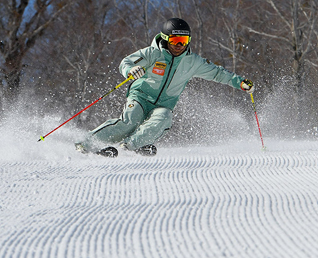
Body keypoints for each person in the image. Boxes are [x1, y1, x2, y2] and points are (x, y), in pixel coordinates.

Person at [76, 17, 255, 157]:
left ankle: (128, 147)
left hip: (164, 104)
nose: (179, 45)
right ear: (166, 38)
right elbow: (127, 62)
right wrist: (132, 69)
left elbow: (217, 73)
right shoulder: (153, 53)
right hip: (140, 96)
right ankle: (86, 143)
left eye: (184, 41)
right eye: (176, 40)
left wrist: (239, 82)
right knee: (130, 121)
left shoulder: (192, 62)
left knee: (163, 119)